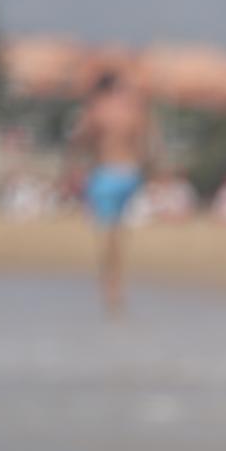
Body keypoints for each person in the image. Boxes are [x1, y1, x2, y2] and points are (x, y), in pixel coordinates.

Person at [68, 70, 155, 315]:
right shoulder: (134, 111)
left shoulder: (98, 110)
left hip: (105, 174)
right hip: (130, 173)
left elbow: (79, 139)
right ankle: (117, 286)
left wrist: (74, 167)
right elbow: (147, 144)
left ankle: (109, 287)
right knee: (119, 234)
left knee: (106, 235)